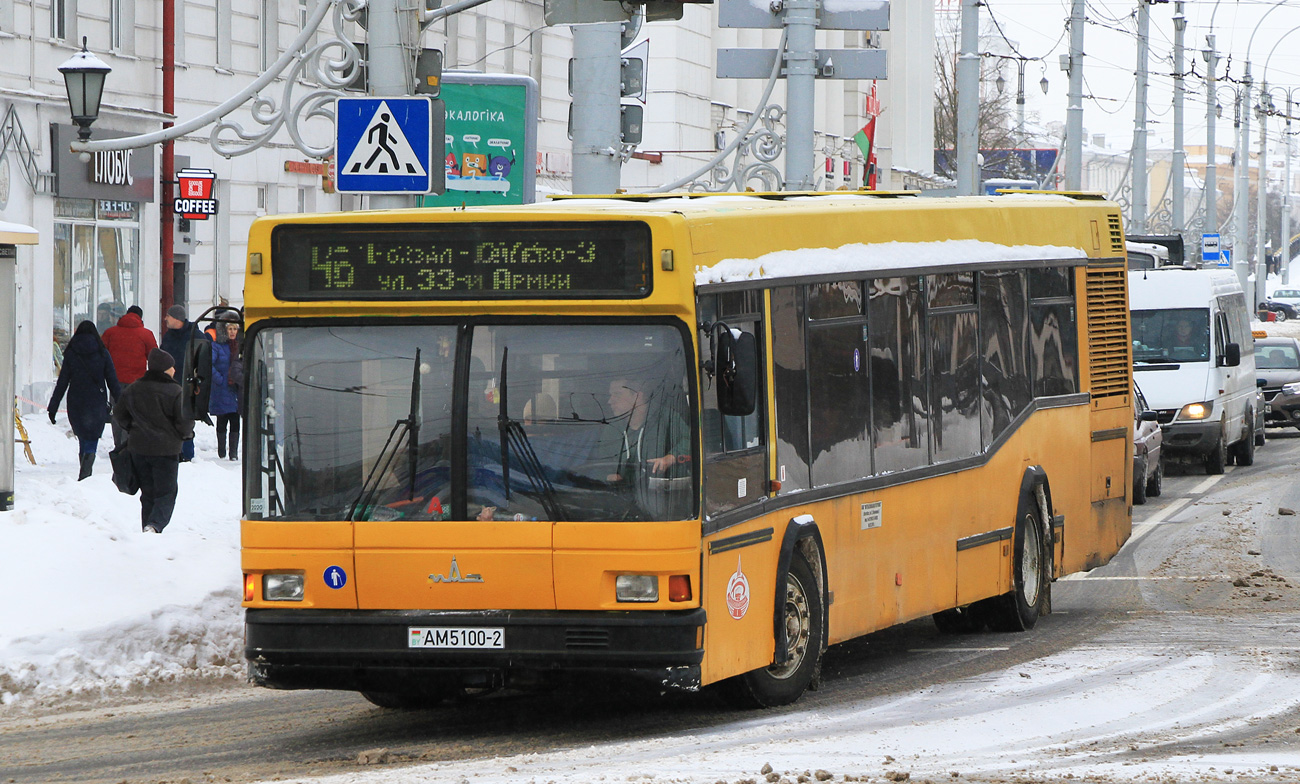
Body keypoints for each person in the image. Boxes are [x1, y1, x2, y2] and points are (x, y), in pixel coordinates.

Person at [114, 349, 194, 533]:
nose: (174, 369)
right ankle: (155, 525)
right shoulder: (175, 391)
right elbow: (185, 420)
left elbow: (119, 414)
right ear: (166, 369)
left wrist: (133, 429)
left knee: (148, 493)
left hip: (139, 448)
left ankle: (147, 528)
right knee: (166, 492)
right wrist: (183, 435)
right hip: (166, 450)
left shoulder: (134, 388)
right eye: (171, 366)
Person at [48, 321, 122, 480]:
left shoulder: (71, 353)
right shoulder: (102, 353)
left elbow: (62, 382)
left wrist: (53, 407)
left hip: (76, 401)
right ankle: (86, 469)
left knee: (82, 435)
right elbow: (113, 381)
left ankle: (85, 469)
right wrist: (123, 403)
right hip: (96, 402)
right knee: (92, 436)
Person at [159, 304, 212, 462]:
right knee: (168, 421)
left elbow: (204, 362)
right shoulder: (169, 336)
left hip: (187, 386)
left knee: (186, 421)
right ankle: (173, 451)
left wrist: (198, 384)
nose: (165, 318)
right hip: (168, 386)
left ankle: (187, 455)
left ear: (177, 319)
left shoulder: (196, 335)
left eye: (168, 316)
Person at [101, 305, 158, 447]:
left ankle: (118, 444)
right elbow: (154, 357)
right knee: (134, 413)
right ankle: (129, 443)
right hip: (137, 382)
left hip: (115, 381)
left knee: (117, 412)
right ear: (140, 318)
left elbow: (101, 355)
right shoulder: (146, 334)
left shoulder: (110, 333)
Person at [210, 318, 244, 461]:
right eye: (230, 329)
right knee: (222, 418)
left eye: (235, 329)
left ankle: (234, 453)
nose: (232, 332)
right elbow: (209, 364)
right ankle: (222, 451)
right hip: (221, 388)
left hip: (235, 388)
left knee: (235, 419)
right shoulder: (217, 346)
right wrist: (219, 379)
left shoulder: (241, 346)